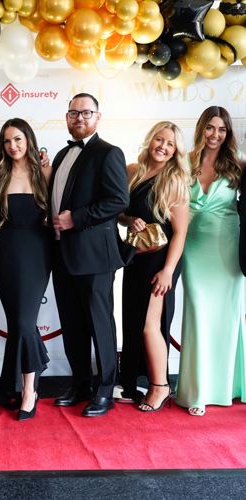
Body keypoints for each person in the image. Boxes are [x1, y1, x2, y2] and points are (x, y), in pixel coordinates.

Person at [51, 93, 129, 417]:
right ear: (67, 117)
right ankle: (81, 383)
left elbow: (118, 200)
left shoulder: (109, 152)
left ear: (98, 117)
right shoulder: (61, 154)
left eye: (86, 112)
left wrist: (77, 218)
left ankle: (106, 390)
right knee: (72, 325)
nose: (79, 118)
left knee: (100, 324)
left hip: (95, 256)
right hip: (61, 253)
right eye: (74, 113)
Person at [176, 106, 246, 416]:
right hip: (192, 246)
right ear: (201, 128)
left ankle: (229, 388)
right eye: (210, 127)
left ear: (228, 133)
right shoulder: (184, 162)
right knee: (198, 316)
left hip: (227, 247)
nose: (215, 134)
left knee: (226, 318)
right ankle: (199, 391)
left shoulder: (238, 164)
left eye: (222, 129)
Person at [118, 122, 189, 411]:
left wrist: (168, 271)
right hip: (136, 256)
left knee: (150, 324)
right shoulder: (132, 171)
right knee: (134, 320)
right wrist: (129, 219)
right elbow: (120, 212)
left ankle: (160, 386)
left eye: (170, 144)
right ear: (151, 140)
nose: (162, 146)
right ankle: (134, 382)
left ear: (175, 151)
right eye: (159, 139)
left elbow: (180, 233)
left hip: (162, 260)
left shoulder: (175, 180)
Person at [0, 118, 52, 421]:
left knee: (25, 322)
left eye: (18, 139)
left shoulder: (46, 173)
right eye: (7, 141)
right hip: (5, 252)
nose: (12, 146)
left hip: (37, 253)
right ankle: (10, 386)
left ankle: (29, 391)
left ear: (29, 140)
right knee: (17, 324)